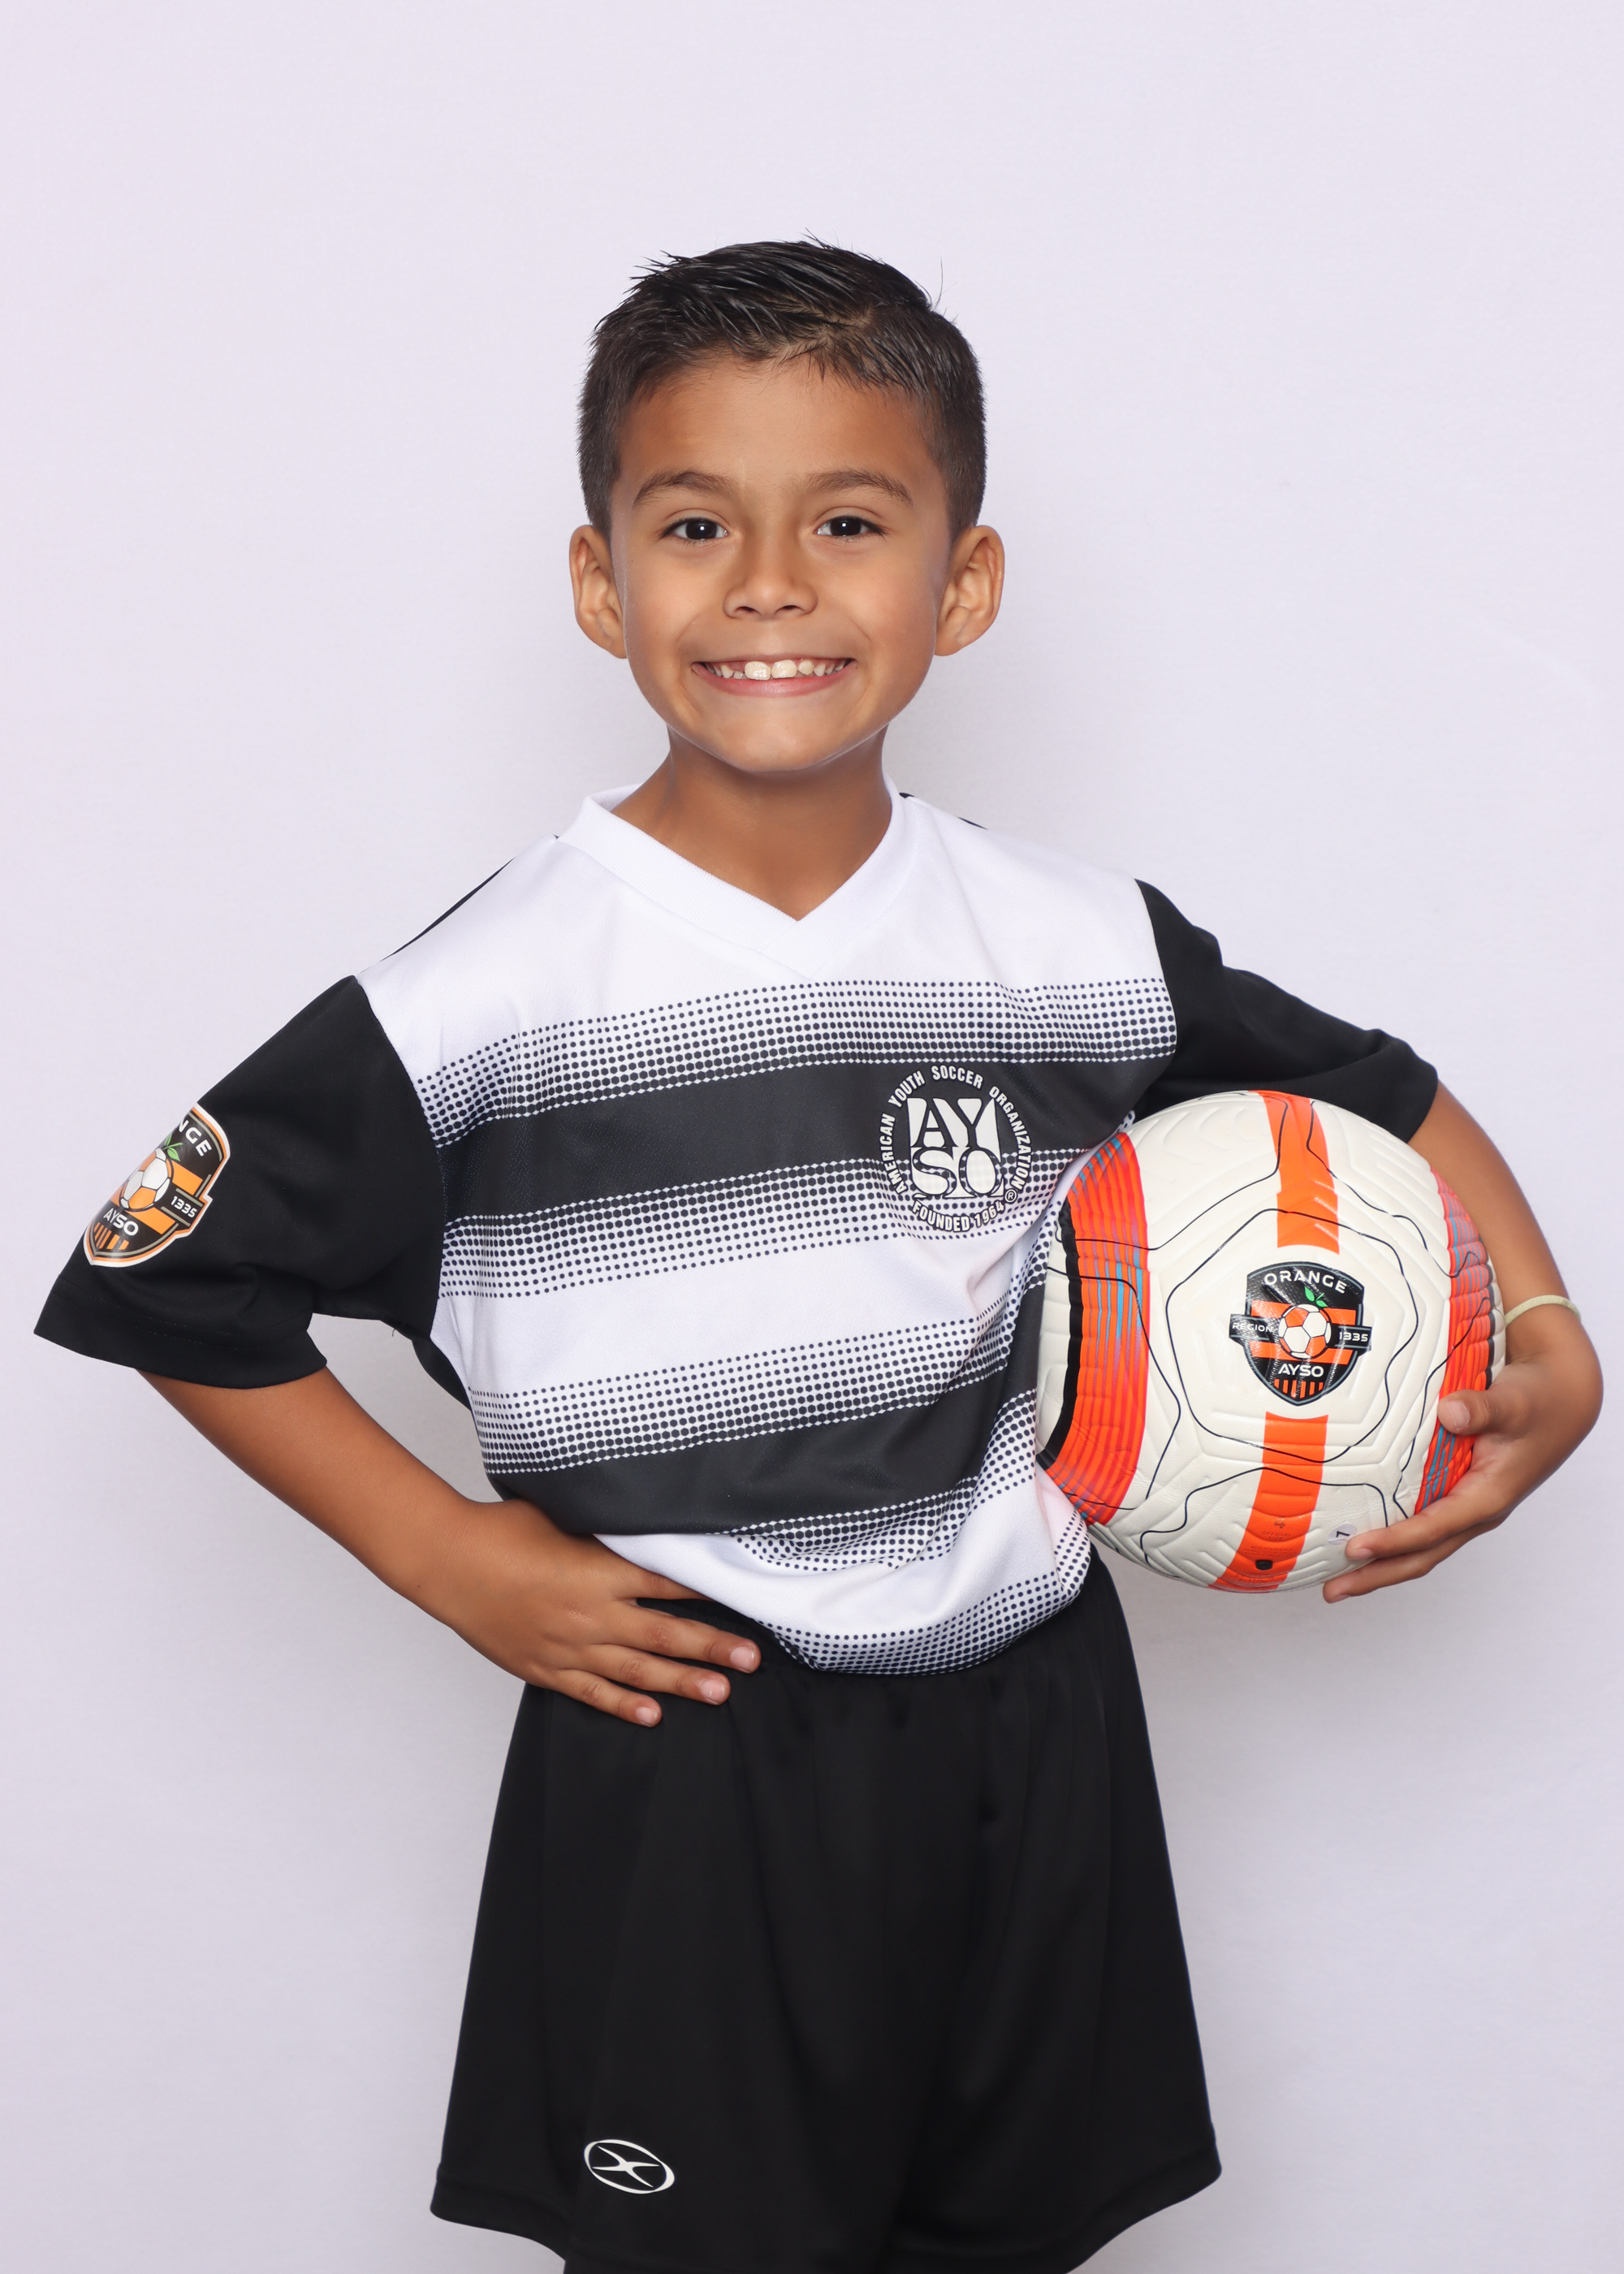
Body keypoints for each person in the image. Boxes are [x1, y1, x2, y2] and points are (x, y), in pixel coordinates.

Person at [37, 241, 1601, 2274]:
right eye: (696, 525)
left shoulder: (1072, 942)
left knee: (1003, 2241)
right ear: (601, 581)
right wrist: (449, 1556)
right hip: (691, 1744)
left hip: (1035, 1711)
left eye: (848, 523)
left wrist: (1545, 1327)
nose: (769, 583)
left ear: (963, 582)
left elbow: (1377, 1094)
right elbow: (169, 1279)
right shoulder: (484, 994)